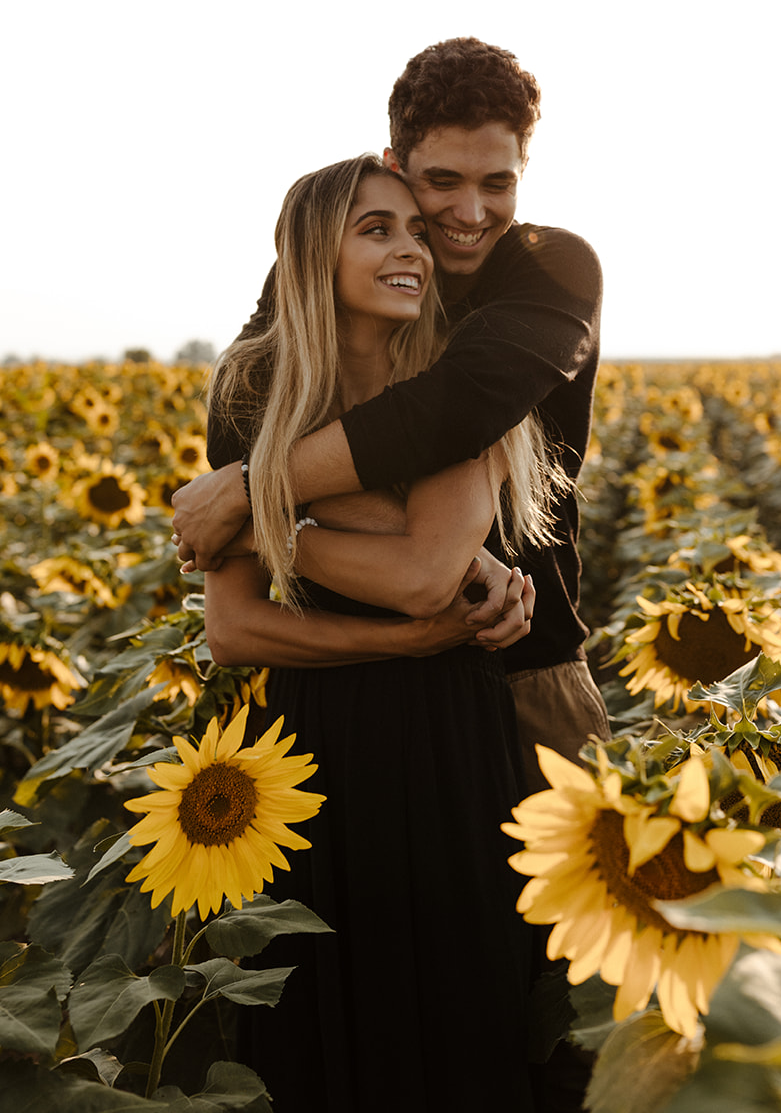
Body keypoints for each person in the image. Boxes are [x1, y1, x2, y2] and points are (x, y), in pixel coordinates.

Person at [203, 153, 562, 1112]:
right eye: (378, 230)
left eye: (414, 231)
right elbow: (234, 627)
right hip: (306, 751)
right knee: (312, 1018)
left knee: (453, 1015)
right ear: (314, 255)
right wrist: (390, 637)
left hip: (446, 741)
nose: (411, 249)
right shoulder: (251, 389)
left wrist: (258, 517)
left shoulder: (462, 383)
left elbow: (423, 577)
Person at [175, 38, 610, 792]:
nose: (470, 214)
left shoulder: (551, 267)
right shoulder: (331, 270)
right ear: (395, 164)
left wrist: (254, 499)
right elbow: (242, 409)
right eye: (442, 182)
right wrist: (254, 480)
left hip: (522, 666)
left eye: (496, 183)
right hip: (353, 681)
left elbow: (452, 412)